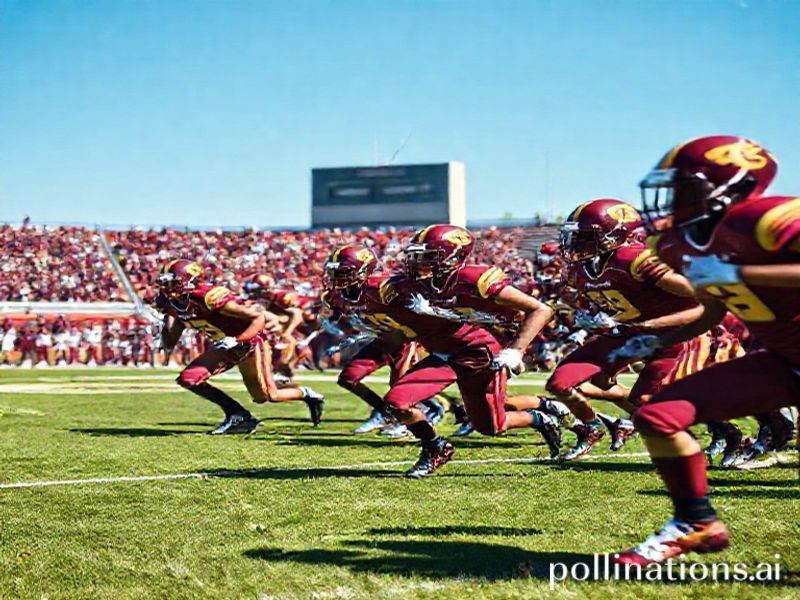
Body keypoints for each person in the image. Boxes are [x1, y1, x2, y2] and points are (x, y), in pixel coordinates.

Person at [607, 135, 798, 564]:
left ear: (731, 184)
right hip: (786, 361)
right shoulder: (681, 245)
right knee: (658, 416)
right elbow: (711, 311)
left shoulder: (765, 219)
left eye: (684, 188)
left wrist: (738, 270)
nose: (672, 200)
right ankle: (696, 522)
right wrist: (651, 340)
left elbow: (732, 277)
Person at [154, 259, 325, 435]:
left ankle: (307, 394)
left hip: (249, 343)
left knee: (267, 396)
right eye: (165, 283)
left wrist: (237, 339)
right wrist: (162, 328)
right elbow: (170, 339)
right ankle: (238, 415)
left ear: (191, 280)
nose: (167, 288)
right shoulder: (171, 303)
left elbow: (258, 318)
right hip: (224, 346)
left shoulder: (207, 297)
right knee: (189, 378)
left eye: (173, 283)